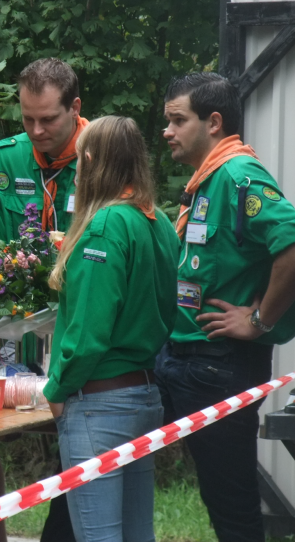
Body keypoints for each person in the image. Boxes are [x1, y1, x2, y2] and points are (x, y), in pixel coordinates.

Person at [155, 73, 295, 542]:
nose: (167, 131)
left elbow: (291, 243)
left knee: (230, 504)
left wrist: (259, 320)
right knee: (107, 462)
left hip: (218, 366)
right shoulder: (206, 180)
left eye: (177, 120)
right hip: (178, 358)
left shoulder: (238, 175)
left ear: (213, 122)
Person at [45, 115, 179, 541]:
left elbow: (88, 333)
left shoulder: (104, 225)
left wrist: (56, 390)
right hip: (143, 394)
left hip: (100, 404)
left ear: (87, 160)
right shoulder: (157, 220)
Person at [0, 58, 88, 542]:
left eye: (49, 119)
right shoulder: (4, 159)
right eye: (27, 119)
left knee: (80, 432)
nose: (37, 130)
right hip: (19, 321)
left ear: (75, 108)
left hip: (81, 320)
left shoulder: (103, 153)